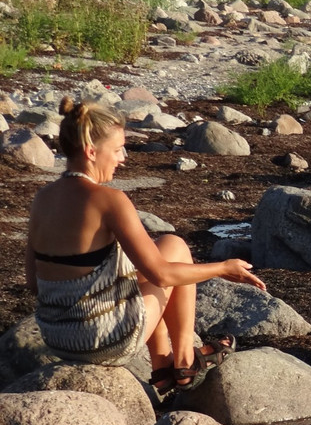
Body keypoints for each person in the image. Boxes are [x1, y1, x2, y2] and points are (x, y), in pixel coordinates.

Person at [25, 96, 266, 392]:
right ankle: (185, 361)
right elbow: (162, 276)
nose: (123, 157)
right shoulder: (110, 200)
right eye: (117, 150)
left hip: (56, 337)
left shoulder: (41, 199)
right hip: (101, 340)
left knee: (164, 247)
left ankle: (164, 367)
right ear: (91, 151)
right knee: (174, 250)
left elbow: (34, 284)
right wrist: (222, 267)